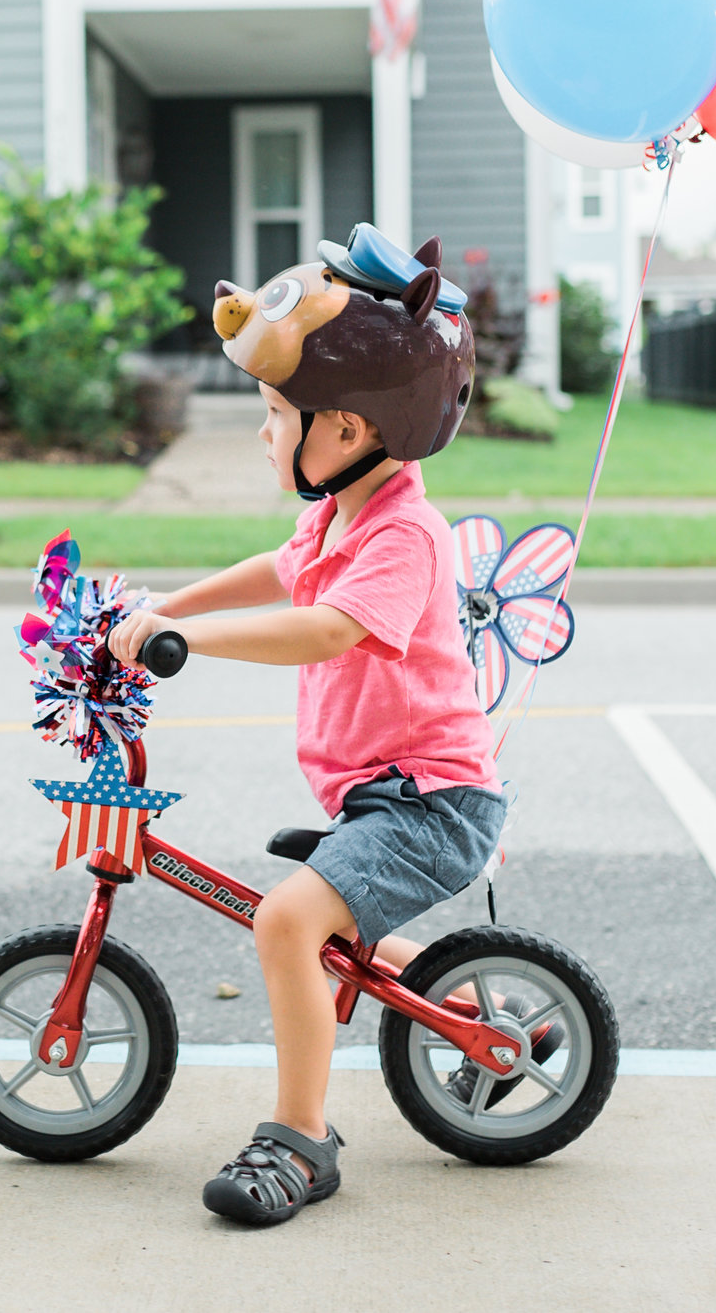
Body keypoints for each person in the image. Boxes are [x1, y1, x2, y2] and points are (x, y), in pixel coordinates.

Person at [106, 225, 504, 1227]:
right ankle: (469, 1018)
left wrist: (187, 645)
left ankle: (302, 1141)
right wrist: (170, 605)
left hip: (432, 802)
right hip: (381, 791)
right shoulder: (338, 514)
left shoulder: (403, 530)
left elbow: (327, 626)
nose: (262, 429)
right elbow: (280, 571)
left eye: (277, 411)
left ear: (351, 428)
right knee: (326, 935)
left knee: (287, 919)